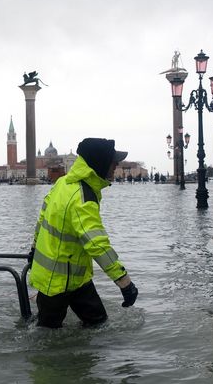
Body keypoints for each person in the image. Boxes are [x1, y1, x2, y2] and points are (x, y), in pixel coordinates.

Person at [29, 138, 138, 328]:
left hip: (76, 278)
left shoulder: (63, 183)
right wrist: (124, 282)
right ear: (100, 163)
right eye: (113, 161)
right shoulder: (83, 198)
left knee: (98, 323)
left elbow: (41, 219)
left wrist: (33, 250)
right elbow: (97, 244)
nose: (116, 165)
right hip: (55, 283)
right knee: (46, 339)